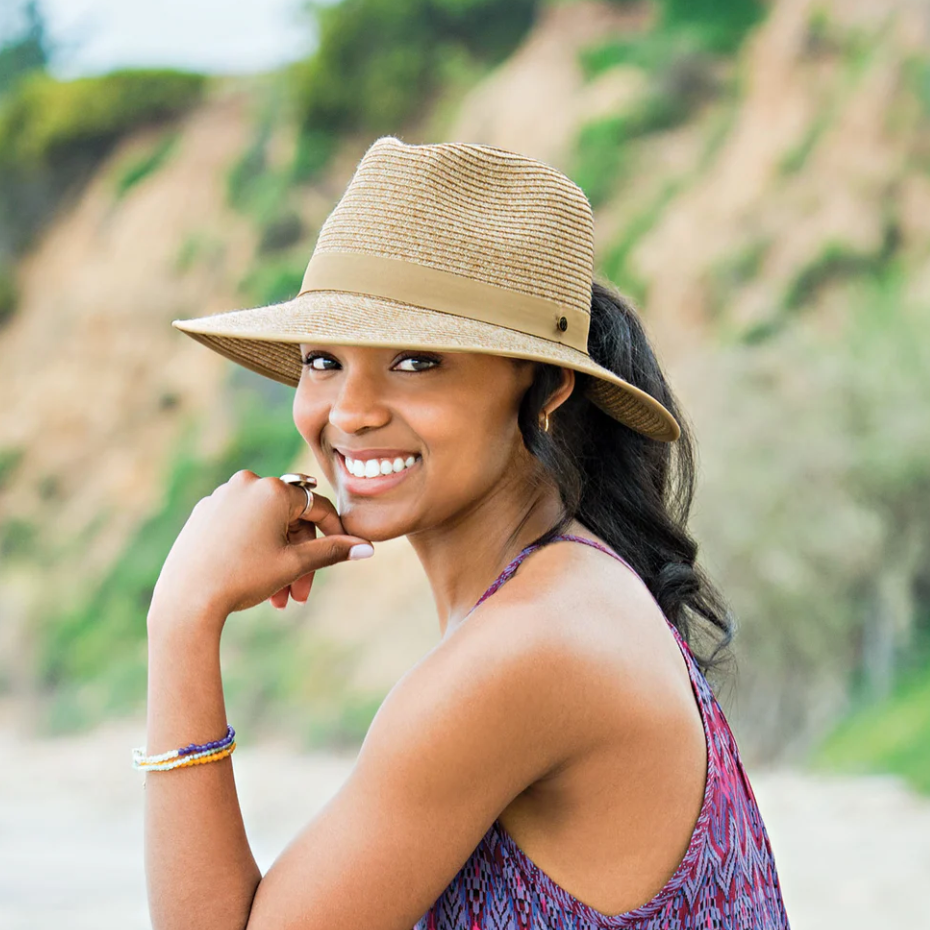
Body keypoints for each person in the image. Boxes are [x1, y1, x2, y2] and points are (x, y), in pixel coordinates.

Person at [139, 136, 791, 929]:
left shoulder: (531, 647)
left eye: (416, 362)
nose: (350, 411)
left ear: (547, 385)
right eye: (323, 360)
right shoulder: (570, 595)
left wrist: (181, 618)